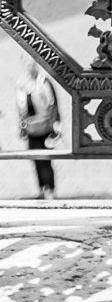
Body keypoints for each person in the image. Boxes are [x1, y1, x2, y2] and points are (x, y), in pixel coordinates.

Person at [16, 57, 59, 199]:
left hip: (45, 127)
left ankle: (50, 189)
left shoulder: (43, 82)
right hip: (31, 129)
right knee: (35, 160)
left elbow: (52, 105)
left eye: (32, 65)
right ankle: (41, 189)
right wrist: (21, 127)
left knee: (46, 159)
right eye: (27, 65)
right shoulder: (22, 85)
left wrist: (55, 125)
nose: (30, 68)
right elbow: (21, 108)